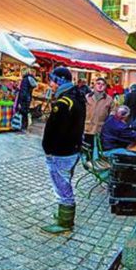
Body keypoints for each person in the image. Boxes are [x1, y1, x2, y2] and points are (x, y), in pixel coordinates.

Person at [40, 67, 86, 235]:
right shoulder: (77, 97)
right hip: (72, 150)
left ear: (59, 80)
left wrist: (49, 149)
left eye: (51, 80)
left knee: (62, 185)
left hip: (62, 152)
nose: (50, 84)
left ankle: (65, 222)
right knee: (64, 181)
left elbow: (56, 130)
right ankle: (63, 215)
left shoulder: (64, 102)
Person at [84, 77, 114, 147]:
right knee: (86, 151)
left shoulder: (109, 99)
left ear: (105, 87)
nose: (100, 86)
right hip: (87, 128)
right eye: (98, 84)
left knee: (98, 150)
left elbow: (113, 112)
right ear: (94, 85)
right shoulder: (87, 97)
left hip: (100, 129)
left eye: (103, 84)